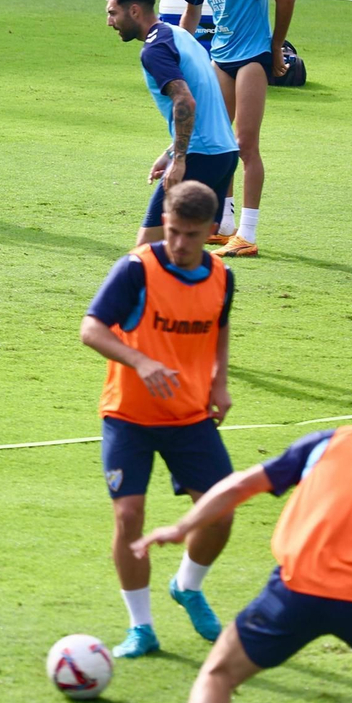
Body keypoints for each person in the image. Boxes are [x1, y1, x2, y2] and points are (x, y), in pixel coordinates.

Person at [134, 375, 352, 703]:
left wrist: (183, 527)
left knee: (217, 675)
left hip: (295, 592)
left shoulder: (330, 441)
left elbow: (239, 485)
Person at [80, 180, 235, 660]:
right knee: (129, 517)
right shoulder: (135, 269)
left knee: (221, 513)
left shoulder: (222, 276)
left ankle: (187, 585)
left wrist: (219, 381)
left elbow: (220, 325)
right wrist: (141, 362)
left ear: (211, 231)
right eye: (171, 231)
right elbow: (90, 329)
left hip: (189, 414)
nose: (178, 244)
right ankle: (141, 627)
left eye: (190, 234)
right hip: (128, 413)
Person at [178, 0, 297, 257]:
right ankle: (225, 224)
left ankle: (247, 234)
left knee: (245, 145)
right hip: (221, 55)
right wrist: (178, 58)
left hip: (253, 57)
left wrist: (276, 48)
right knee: (218, 143)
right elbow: (191, 14)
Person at [105, 0, 240, 248]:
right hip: (224, 154)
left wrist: (179, 159)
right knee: (183, 251)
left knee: (145, 252)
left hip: (200, 156)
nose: (109, 22)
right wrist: (169, 153)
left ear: (134, 10)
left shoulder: (154, 50)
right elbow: (202, 101)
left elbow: (185, 102)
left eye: (113, 13)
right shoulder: (180, 35)